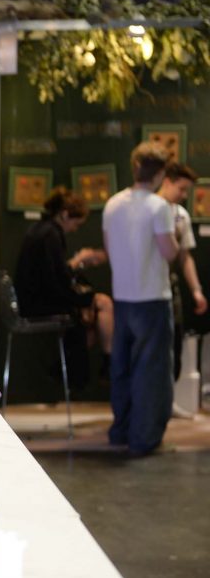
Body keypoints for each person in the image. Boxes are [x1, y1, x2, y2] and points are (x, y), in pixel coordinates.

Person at [103, 142, 178, 456]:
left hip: (123, 295)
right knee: (151, 370)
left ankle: (121, 429)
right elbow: (168, 251)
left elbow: (108, 248)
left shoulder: (113, 204)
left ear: (135, 167)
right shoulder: (159, 207)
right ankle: (144, 438)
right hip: (151, 297)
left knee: (122, 366)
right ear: (160, 173)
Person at [14, 187, 113, 389]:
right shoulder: (51, 235)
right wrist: (79, 268)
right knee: (103, 304)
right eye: (75, 223)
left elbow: (53, 274)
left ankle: (70, 366)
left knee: (92, 310)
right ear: (65, 214)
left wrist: (77, 263)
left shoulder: (40, 230)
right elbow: (55, 281)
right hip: (39, 302)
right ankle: (104, 363)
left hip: (32, 298)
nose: (75, 229)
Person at [156, 162, 208, 403]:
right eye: (181, 188)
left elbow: (185, 257)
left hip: (170, 285)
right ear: (167, 181)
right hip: (143, 288)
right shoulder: (149, 209)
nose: (184, 196)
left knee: (174, 345)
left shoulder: (181, 215)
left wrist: (196, 290)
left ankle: (165, 402)